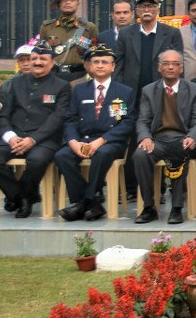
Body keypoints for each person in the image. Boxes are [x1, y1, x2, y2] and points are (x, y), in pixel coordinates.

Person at [0, 41, 70, 219]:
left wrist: (33, 139)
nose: (37, 62)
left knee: (37, 160)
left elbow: (57, 118)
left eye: (43, 59)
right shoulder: (14, 84)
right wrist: (11, 137)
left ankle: (21, 198)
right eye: (34, 58)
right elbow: (3, 115)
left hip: (43, 140)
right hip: (14, 136)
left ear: (52, 62)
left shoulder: (62, 86)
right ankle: (21, 197)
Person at [53, 44, 136, 222]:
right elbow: (70, 119)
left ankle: (83, 204)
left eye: (105, 62)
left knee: (101, 154)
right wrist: (73, 142)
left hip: (110, 143)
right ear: (89, 66)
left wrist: (102, 140)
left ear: (113, 66)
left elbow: (128, 123)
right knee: (62, 156)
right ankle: (90, 203)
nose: (100, 65)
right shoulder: (78, 90)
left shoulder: (125, 91)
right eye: (96, 61)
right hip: (82, 140)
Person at [132, 50, 196, 225]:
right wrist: (145, 137)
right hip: (157, 139)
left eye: (175, 64)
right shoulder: (149, 90)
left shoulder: (194, 90)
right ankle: (149, 207)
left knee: (181, 150)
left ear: (181, 67)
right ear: (159, 67)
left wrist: (193, 136)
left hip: (182, 137)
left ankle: (177, 207)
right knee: (140, 155)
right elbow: (143, 120)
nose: (170, 67)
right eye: (166, 63)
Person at [115, 0, 185, 99]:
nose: (147, 10)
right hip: (132, 91)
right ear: (137, 11)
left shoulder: (171, 33)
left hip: (162, 91)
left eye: (151, 6)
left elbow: (179, 65)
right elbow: (118, 65)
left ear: (158, 9)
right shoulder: (125, 33)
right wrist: (119, 89)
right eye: (142, 6)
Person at [39, 0, 99, 81]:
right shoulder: (47, 27)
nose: (68, 3)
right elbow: (42, 54)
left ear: (77, 3)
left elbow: (95, 54)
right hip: (54, 76)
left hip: (80, 76)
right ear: (58, 4)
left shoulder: (89, 28)